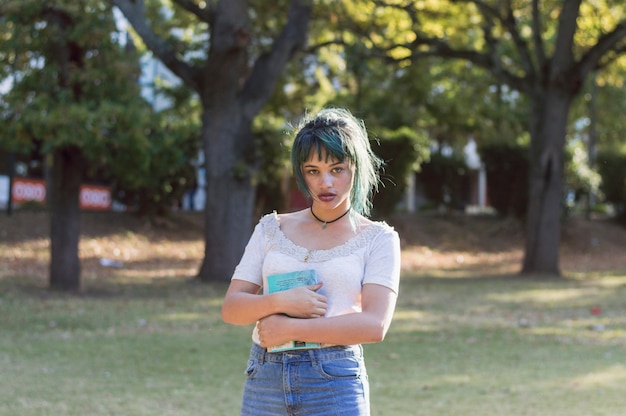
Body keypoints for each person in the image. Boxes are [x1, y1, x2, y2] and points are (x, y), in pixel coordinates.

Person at [222, 107, 401, 416]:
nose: (325, 183)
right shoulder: (271, 228)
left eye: (337, 169)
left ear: (355, 167)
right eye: (313, 171)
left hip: (335, 380)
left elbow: (375, 325)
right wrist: (280, 301)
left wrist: (292, 329)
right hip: (264, 378)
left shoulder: (378, 238)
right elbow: (232, 308)